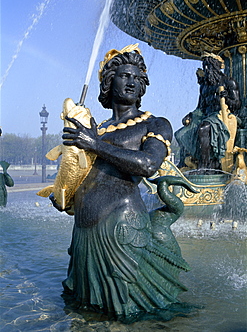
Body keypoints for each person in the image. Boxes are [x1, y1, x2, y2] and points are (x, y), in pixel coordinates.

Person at [53, 45, 190, 320]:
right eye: (125, 75)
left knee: (129, 314)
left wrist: (94, 145)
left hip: (121, 230)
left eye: (138, 78)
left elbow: (149, 164)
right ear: (109, 81)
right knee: (86, 311)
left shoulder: (154, 124)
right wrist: (64, 196)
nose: (132, 81)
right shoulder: (95, 129)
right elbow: (83, 175)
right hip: (84, 233)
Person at [175, 53, 241, 171]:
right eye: (205, 65)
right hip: (205, 116)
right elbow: (200, 106)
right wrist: (190, 115)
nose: (206, 69)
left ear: (216, 66)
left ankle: (206, 165)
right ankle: (184, 162)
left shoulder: (228, 82)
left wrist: (227, 98)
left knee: (203, 128)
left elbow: (237, 104)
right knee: (180, 134)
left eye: (209, 65)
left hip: (221, 115)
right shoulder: (205, 86)